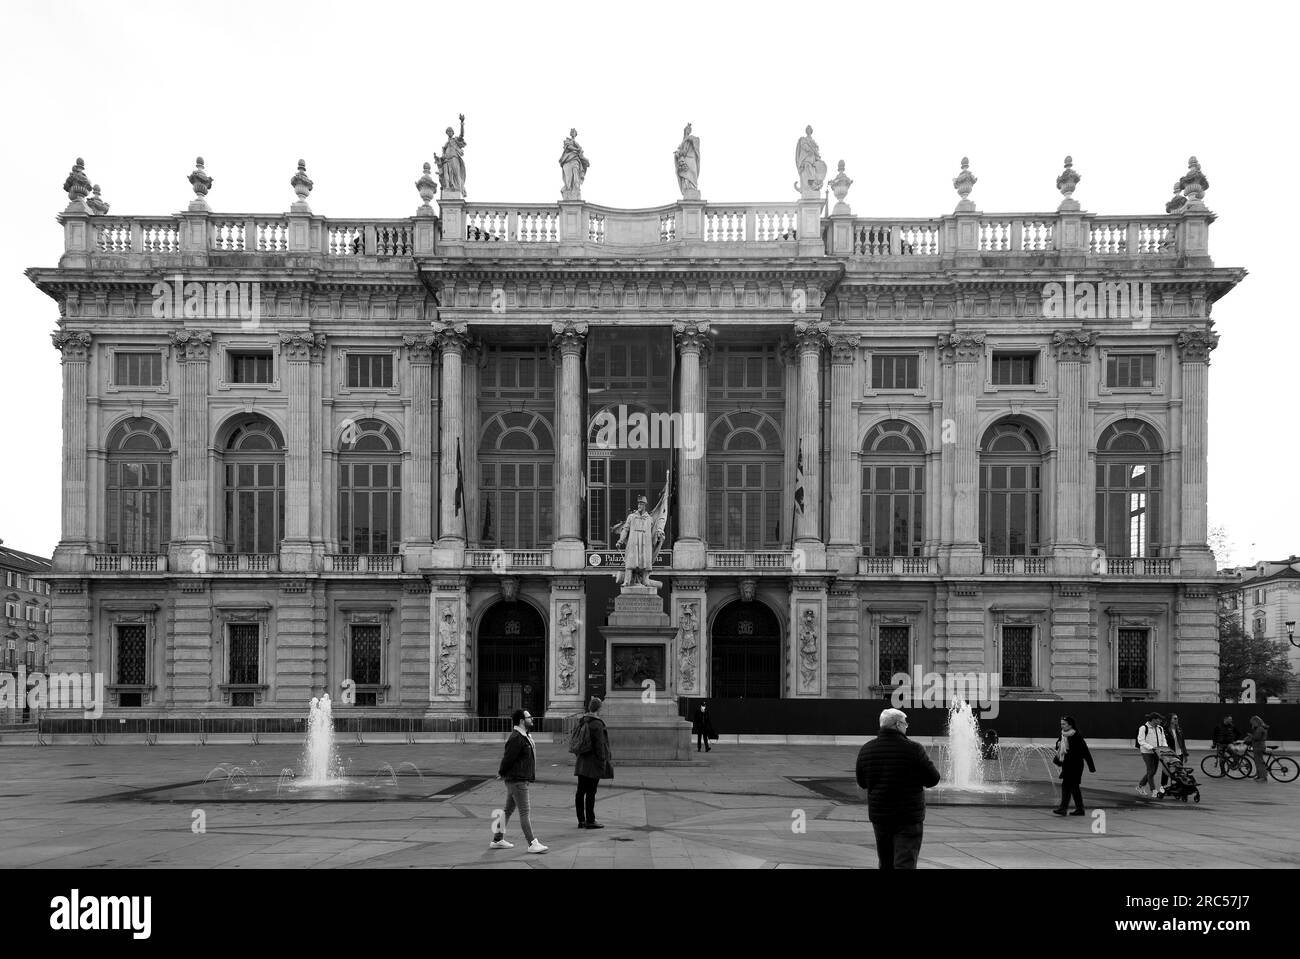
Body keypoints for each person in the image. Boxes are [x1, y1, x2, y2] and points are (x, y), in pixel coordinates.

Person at [855, 707, 941, 869]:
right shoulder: (914, 749)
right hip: (907, 816)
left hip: (880, 816)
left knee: (885, 861)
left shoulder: (866, 749)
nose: (907, 727)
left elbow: (862, 783)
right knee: (905, 862)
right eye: (905, 723)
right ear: (898, 724)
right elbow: (933, 779)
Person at [490, 708, 547, 853]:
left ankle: (497, 839)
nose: (532, 719)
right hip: (517, 780)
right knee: (524, 812)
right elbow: (508, 758)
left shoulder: (523, 736)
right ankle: (532, 843)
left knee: (507, 810)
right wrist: (501, 772)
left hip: (516, 778)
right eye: (529, 717)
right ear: (522, 721)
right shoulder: (516, 738)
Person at [574, 696, 613, 828]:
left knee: (580, 791)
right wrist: (603, 761)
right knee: (591, 791)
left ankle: (581, 820)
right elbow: (600, 745)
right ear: (599, 708)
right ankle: (590, 820)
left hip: (582, 760)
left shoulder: (582, 720)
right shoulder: (597, 724)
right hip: (593, 762)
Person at [1052, 715, 1095, 816]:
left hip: (1075, 765)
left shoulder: (1076, 736)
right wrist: (1058, 744)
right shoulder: (1063, 734)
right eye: (1061, 724)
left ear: (1070, 725)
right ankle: (1080, 809)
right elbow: (1057, 745)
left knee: (1066, 785)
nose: (1062, 726)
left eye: (1064, 724)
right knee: (1074, 787)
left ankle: (1063, 809)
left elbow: (1085, 751)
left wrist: (1091, 766)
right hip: (1067, 764)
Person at [1135, 712, 1168, 797]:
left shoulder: (1160, 728)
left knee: (1153, 771)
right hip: (1147, 752)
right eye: (1159, 719)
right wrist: (1151, 748)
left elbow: (1163, 739)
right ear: (1153, 719)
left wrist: (1164, 748)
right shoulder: (1143, 728)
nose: (1161, 721)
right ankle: (1153, 790)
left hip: (1157, 752)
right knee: (1151, 771)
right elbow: (1141, 741)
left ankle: (1140, 786)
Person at [1157, 714, 1189, 797]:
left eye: (1177, 718)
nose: (1176, 719)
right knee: (1166, 771)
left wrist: (1185, 754)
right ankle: (1163, 787)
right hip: (1169, 754)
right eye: (1174, 718)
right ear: (1170, 719)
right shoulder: (1164, 730)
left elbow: (1182, 743)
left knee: (1177, 772)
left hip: (1179, 754)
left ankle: (1175, 788)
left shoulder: (1179, 729)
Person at [1247, 715, 1270, 783]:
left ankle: (1263, 777)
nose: (1252, 724)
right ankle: (1259, 776)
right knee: (1258, 762)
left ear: (1256, 721)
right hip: (1259, 745)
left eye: (1252, 723)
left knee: (1259, 762)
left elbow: (1257, 737)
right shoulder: (1262, 727)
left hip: (1258, 746)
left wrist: (1251, 736)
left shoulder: (1259, 728)